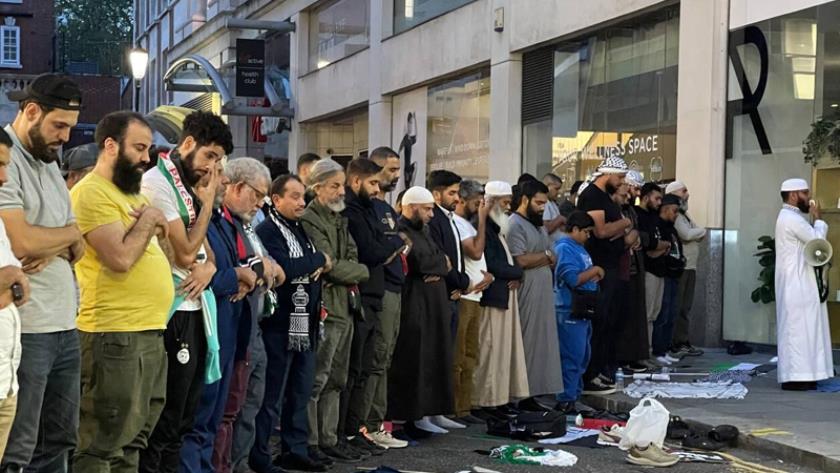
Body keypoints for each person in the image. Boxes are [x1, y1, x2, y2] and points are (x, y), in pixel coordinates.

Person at [69, 111, 174, 471]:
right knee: (103, 441)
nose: (147, 158)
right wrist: (149, 220)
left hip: (148, 331)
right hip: (114, 335)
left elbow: (171, 251)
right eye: (140, 148)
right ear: (110, 146)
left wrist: (152, 221)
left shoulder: (129, 194)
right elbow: (121, 257)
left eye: (149, 149)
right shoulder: (91, 193)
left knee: (134, 438)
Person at [0, 74, 86, 473]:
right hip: (28, 329)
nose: (65, 137)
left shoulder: (50, 162)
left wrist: (58, 237)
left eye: (70, 127)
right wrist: (61, 239)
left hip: (65, 324)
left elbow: (78, 244)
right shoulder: (6, 158)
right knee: (20, 450)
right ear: (31, 111)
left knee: (60, 441)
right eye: (59, 126)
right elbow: (19, 244)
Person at [140, 111, 233, 473]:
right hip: (171, 308)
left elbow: (203, 250)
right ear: (188, 144)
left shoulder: (187, 184)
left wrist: (209, 266)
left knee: (185, 415)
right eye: (210, 156)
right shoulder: (158, 183)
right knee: (166, 417)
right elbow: (182, 252)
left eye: (219, 161)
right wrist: (208, 203)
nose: (213, 169)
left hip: (196, 306)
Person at [250, 175, 330, 473]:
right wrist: (319, 259)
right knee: (270, 395)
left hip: (305, 323)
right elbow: (286, 269)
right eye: (294, 197)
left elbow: (306, 266)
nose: (301, 202)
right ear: (275, 198)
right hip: (279, 324)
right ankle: (259, 454)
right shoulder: (267, 230)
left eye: (302, 197)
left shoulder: (301, 229)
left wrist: (315, 263)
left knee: (300, 389)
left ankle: (294, 449)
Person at [212, 159, 282, 473]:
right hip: (229, 325)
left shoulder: (246, 222)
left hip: (252, 322)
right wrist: (255, 271)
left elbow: (271, 268)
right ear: (237, 186)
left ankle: (239, 464)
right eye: (258, 194)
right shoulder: (220, 220)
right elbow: (235, 272)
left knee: (248, 403)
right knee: (225, 411)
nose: (261, 203)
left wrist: (257, 271)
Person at [301, 159, 370, 464]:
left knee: (338, 379)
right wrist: (347, 269)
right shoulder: (311, 218)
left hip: (347, 306)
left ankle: (329, 438)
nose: (342, 191)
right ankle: (311, 440)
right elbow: (324, 262)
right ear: (317, 188)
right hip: (327, 307)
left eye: (342, 185)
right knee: (318, 377)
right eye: (335, 185)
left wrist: (347, 269)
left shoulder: (339, 218)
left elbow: (354, 263)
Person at [340, 159, 406, 454]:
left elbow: (383, 245)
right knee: (351, 372)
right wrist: (393, 246)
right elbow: (372, 251)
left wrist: (388, 247)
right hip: (361, 296)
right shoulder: (353, 211)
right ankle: (346, 433)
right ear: (356, 182)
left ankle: (354, 432)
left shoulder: (370, 210)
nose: (378, 190)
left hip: (375, 294)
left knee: (365, 369)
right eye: (373, 183)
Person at [388, 186, 454, 436]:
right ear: (412, 208)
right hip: (415, 304)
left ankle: (432, 410)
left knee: (435, 356)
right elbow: (419, 262)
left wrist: (438, 267)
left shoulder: (423, 231)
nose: (430, 215)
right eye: (426, 209)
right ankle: (413, 416)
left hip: (433, 304)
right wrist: (438, 266)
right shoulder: (401, 230)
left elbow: (444, 261)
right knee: (416, 360)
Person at [363, 147, 410, 449]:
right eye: (391, 170)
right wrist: (396, 245)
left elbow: (398, 242)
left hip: (395, 286)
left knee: (385, 358)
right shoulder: (370, 208)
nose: (396, 175)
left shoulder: (387, 208)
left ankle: (376, 422)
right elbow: (381, 247)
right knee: (376, 358)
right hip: (380, 288)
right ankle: (367, 424)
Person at [576, 157, 633, 394]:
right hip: (599, 267)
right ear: (607, 174)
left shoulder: (605, 198)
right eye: (619, 178)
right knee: (598, 322)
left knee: (607, 322)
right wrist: (625, 223)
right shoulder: (593, 196)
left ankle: (599, 370)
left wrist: (619, 228)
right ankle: (590, 376)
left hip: (611, 264)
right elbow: (601, 231)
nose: (620, 183)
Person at [472, 181, 529, 418]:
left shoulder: (497, 230)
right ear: (492, 202)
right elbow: (491, 264)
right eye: (504, 203)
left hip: (504, 297)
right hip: (490, 299)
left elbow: (507, 264)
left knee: (503, 354)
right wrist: (517, 273)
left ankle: (499, 399)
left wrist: (516, 275)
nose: (508, 207)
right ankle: (484, 402)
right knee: (489, 352)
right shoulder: (482, 227)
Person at [507, 180, 565, 406]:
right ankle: (520, 395)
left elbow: (546, 253)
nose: (542, 208)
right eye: (538, 203)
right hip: (527, 291)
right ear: (524, 200)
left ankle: (534, 392)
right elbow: (520, 259)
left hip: (542, 291)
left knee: (542, 343)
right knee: (527, 342)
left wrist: (545, 256)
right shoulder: (515, 224)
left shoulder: (538, 224)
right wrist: (548, 256)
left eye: (545, 203)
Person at [774, 178, 833, 391]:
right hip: (796, 283)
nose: (808, 199)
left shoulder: (790, 217)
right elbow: (818, 243)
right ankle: (798, 377)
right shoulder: (792, 219)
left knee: (803, 329)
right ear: (793, 195)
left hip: (798, 281)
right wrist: (818, 220)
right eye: (805, 193)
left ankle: (805, 375)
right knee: (799, 330)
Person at [0, 128, 31, 461]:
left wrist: (12, 279)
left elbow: (18, 289)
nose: (4, 178)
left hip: (6, 383)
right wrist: (9, 278)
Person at [451, 180, 492, 424]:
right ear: (463, 200)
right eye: (478, 202)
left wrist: (488, 276)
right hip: (464, 297)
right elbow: (475, 252)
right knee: (458, 357)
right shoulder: (459, 223)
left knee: (470, 355)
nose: (481, 206)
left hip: (476, 296)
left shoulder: (467, 224)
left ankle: (464, 408)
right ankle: (455, 407)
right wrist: (483, 218)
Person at [554, 212, 604, 409]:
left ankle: (574, 394)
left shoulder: (579, 248)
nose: (588, 236)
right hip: (568, 309)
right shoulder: (565, 248)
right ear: (574, 229)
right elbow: (572, 278)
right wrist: (596, 271)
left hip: (583, 308)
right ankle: (566, 399)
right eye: (586, 232)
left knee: (582, 355)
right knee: (571, 356)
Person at [634, 183, 675, 366]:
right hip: (648, 269)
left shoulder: (653, 217)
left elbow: (661, 243)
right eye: (656, 198)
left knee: (656, 314)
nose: (659, 202)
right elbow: (649, 246)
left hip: (660, 269)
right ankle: (644, 353)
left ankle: (649, 352)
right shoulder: (638, 215)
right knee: (647, 314)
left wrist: (662, 245)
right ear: (645, 197)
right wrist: (661, 245)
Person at [665, 181, 706, 358]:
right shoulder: (678, 217)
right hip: (682, 266)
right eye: (684, 191)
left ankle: (683, 340)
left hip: (691, 266)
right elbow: (687, 234)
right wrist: (700, 232)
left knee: (686, 306)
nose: (687, 194)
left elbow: (696, 232)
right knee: (679, 306)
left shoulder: (685, 215)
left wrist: (698, 232)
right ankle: (676, 342)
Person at [616, 171, 650, 372]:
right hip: (621, 267)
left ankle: (634, 356)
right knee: (623, 316)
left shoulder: (632, 211)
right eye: (633, 188)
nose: (634, 194)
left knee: (636, 314)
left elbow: (638, 233)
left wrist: (637, 237)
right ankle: (622, 357)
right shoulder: (616, 209)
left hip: (635, 266)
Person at [650, 195, 684, 365]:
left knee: (670, 313)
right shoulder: (658, 225)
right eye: (675, 211)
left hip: (674, 273)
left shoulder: (671, 228)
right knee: (661, 314)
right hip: (664, 272)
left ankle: (665, 348)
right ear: (666, 208)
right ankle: (657, 350)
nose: (676, 214)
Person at [542, 173, 567, 241]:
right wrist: (560, 219)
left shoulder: (553, 203)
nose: (558, 192)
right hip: (551, 247)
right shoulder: (544, 203)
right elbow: (546, 229)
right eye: (556, 189)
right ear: (547, 186)